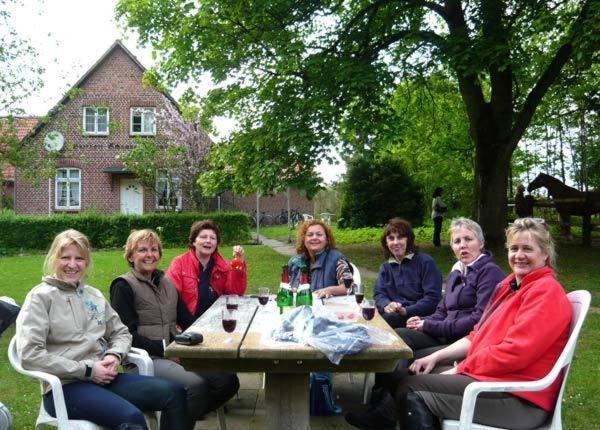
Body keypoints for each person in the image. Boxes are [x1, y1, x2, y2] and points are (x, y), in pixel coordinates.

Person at [346, 218, 572, 430]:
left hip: (519, 398)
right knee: (406, 372)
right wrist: (435, 357)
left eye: (527, 249)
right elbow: (478, 333)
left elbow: (515, 353)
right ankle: (383, 415)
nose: (519, 255)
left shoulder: (545, 291)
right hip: (494, 377)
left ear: (545, 254)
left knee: (411, 387)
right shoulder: (510, 286)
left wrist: (459, 368)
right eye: (514, 249)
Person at [16, 229, 190, 429]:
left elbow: (121, 332)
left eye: (79, 259)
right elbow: (30, 354)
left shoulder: (93, 295)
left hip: (104, 378)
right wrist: (88, 370)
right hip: (65, 387)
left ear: (86, 262)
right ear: (54, 258)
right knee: (131, 418)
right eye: (66, 258)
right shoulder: (40, 297)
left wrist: (115, 355)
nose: (72, 265)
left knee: (174, 394)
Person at [110, 229, 240, 425]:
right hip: (145, 359)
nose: (150, 255)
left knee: (227, 381)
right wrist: (166, 350)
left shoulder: (167, 284)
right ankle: (185, 414)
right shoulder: (123, 286)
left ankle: (182, 417)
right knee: (195, 386)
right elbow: (127, 334)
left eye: (154, 250)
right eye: (142, 250)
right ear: (130, 256)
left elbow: (188, 321)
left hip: (175, 352)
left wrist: (214, 337)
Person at [397, 217, 504, 357]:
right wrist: (422, 321)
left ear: (481, 243)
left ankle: (397, 378)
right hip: (444, 335)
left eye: (468, 239)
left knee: (408, 352)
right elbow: (441, 312)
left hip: (465, 342)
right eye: (457, 241)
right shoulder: (456, 273)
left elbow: (479, 320)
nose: (462, 245)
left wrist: (429, 326)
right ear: (453, 247)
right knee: (397, 336)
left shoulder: (489, 272)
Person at [166, 219, 247, 318]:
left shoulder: (223, 266)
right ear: (194, 241)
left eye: (213, 238)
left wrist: (237, 263)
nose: (208, 241)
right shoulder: (179, 263)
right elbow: (169, 299)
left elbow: (235, 294)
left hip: (216, 322)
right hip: (187, 325)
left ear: (216, 243)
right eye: (203, 237)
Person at [374, 218, 442, 329]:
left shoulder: (425, 262)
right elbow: (379, 294)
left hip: (420, 318)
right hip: (392, 315)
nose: (395, 242)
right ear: (386, 243)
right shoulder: (385, 268)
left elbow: (433, 299)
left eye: (400, 237)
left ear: (408, 240)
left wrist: (406, 310)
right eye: (391, 238)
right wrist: (386, 305)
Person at [288, 219, 354, 298]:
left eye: (319, 234)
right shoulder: (294, 262)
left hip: (328, 308)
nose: (314, 237)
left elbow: (349, 287)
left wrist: (330, 290)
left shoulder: (337, 260)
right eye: (310, 235)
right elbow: (287, 287)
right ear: (303, 239)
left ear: (327, 240)